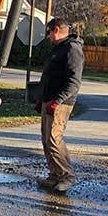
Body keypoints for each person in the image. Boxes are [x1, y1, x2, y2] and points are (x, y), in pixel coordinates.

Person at [35, 17, 83, 194]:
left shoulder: (72, 49)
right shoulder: (59, 49)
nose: (47, 36)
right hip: (50, 100)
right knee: (46, 140)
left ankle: (67, 176)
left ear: (55, 30)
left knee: (54, 140)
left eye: (48, 32)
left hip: (60, 103)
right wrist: (42, 99)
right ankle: (54, 175)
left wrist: (58, 100)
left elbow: (74, 81)